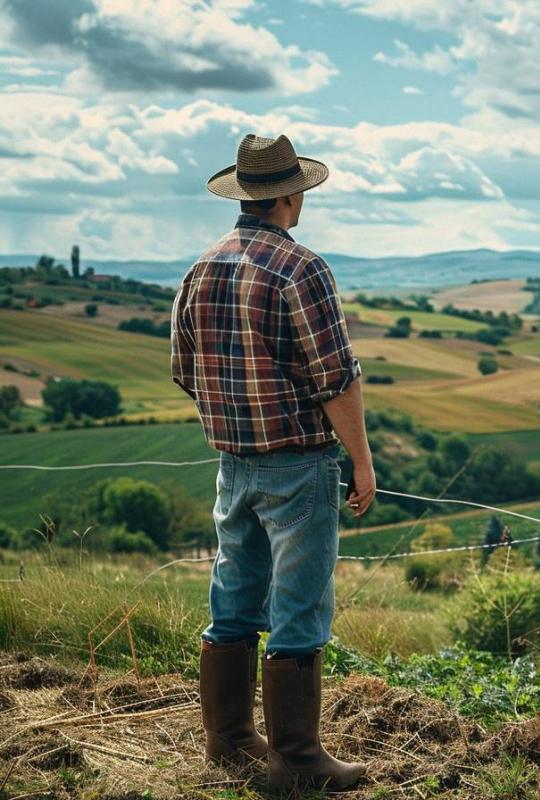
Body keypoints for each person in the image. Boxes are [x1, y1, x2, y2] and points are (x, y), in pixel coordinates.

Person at [170, 133, 374, 793]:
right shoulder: (300, 268)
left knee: (232, 601)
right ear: (291, 195)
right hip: (298, 464)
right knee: (299, 606)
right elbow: (336, 379)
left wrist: (233, 417)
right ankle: (298, 759)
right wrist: (362, 463)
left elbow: (183, 368)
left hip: (233, 463)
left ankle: (229, 741)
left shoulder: (201, 268)